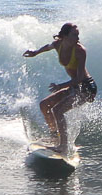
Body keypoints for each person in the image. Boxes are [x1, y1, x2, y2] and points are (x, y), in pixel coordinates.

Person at [23, 22, 97, 155]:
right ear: (65, 36)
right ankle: (56, 136)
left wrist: (60, 86)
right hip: (75, 86)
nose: (77, 38)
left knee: (57, 110)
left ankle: (63, 146)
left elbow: (80, 78)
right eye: (74, 35)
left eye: (78, 35)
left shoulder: (80, 51)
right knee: (44, 105)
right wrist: (35, 52)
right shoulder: (58, 44)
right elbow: (48, 46)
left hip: (86, 88)